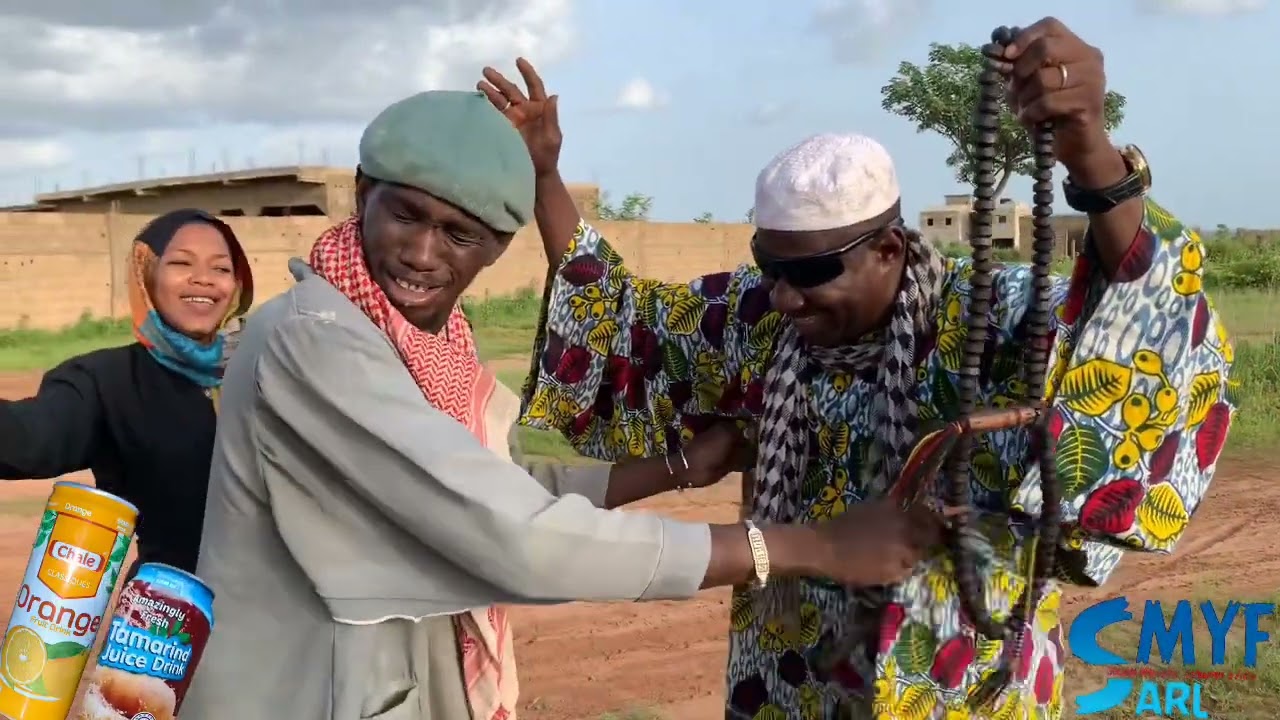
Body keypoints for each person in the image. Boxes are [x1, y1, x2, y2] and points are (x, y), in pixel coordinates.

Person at [496, 18, 1235, 719]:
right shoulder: (758, 320)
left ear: (888, 249)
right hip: (790, 678)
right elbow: (621, 321)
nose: (785, 296)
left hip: (960, 684)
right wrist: (546, 178)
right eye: (770, 266)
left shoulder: (987, 321)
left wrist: (1089, 150)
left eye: (814, 271)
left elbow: (1139, 311)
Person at [184, 89, 949, 720]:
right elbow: (514, 527)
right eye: (405, 216)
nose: (423, 254)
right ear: (361, 197)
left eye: (458, 233)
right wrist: (802, 546)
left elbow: (498, 483)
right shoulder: (316, 340)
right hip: (304, 688)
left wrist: (683, 465)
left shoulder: (427, 339)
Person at [0, 209, 254, 575]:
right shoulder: (108, 382)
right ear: (147, 275)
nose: (203, 279)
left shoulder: (268, 368)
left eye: (221, 268)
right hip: (161, 615)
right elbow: (30, 437)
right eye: (182, 263)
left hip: (279, 616)